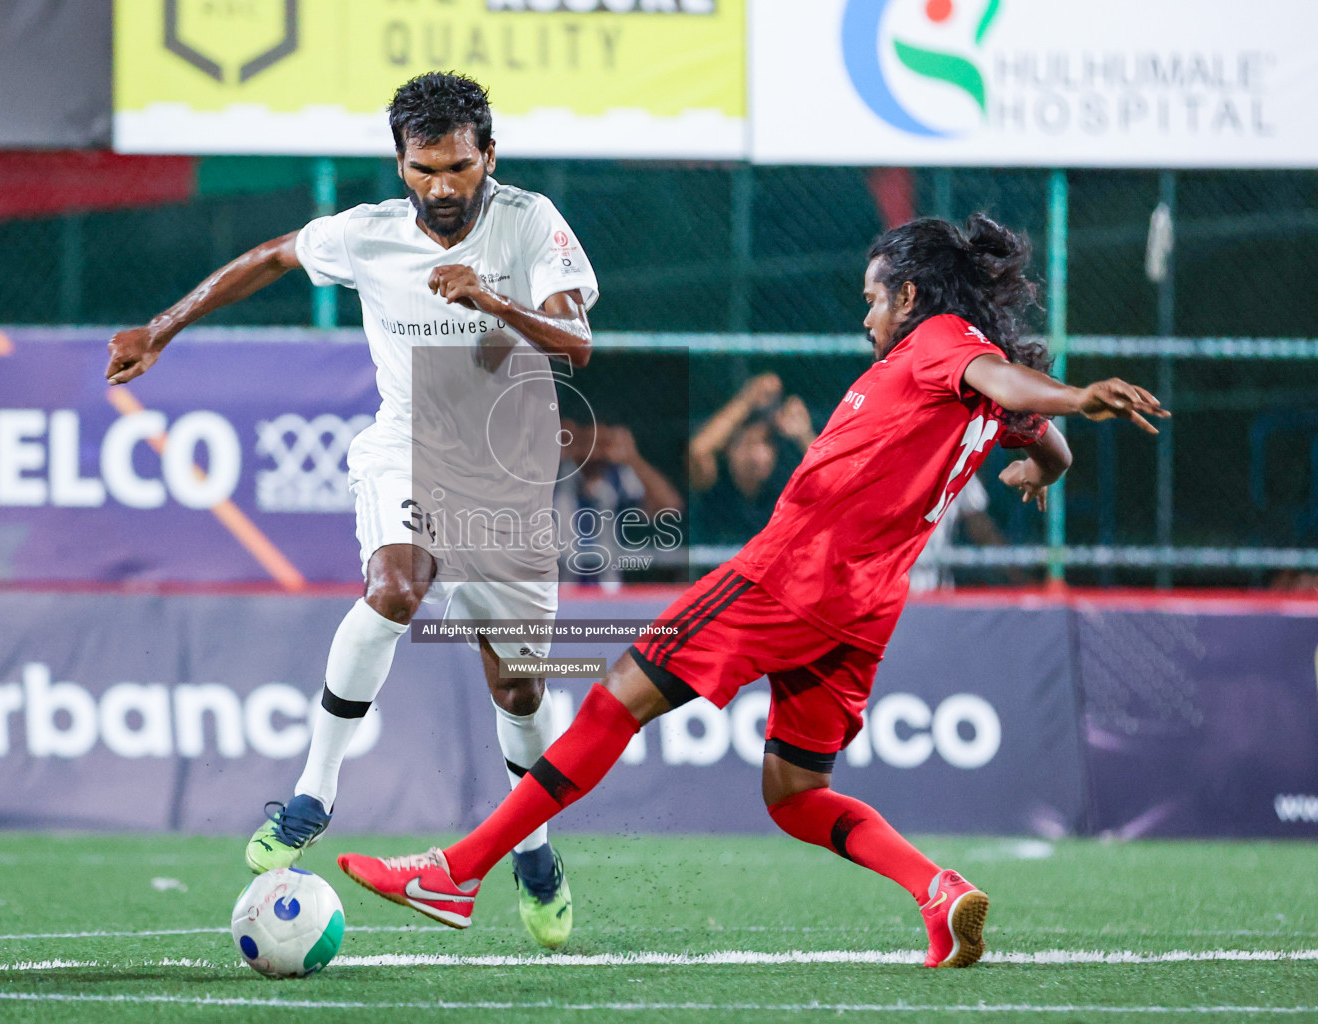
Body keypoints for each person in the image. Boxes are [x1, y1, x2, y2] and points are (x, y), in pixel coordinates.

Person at [336, 213, 1169, 967]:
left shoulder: (942, 339)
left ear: (911, 296)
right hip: (865, 606)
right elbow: (1036, 429)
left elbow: (1015, 388)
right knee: (795, 793)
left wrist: (1079, 395)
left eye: (874, 299)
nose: (865, 317)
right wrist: (1041, 464)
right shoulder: (961, 378)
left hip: (789, 574)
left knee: (612, 699)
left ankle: (455, 874)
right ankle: (938, 891)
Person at [104, 72, 599, 949]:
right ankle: (312, 796)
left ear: (489, 155)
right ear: (401, 164)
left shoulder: (529, 220)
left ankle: (535, 847)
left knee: (518, 687)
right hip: (405, 446)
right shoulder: (366, 233)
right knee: (398, 586)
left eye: (459, 167)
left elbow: (577, 342)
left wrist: (487, 295)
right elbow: (270, 257)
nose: (444, 188)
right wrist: (162, 326)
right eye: (424, 169)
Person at [689, 374, 816, 546]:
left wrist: (804, 434)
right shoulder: (715, 482)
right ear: (728, 449)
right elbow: (698, 451)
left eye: (766, 444)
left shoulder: (783, 482)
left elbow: (833, 485)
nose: (758, 455)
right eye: (748, 443)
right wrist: (747, 400)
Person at [555, 420, 684, 584]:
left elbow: (669, 505)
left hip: (608, 587)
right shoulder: (558, 477)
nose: (594, 453)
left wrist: (633, 458)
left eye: (602, 444)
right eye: (588, 442)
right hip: (563, 588)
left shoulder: (618, 478)